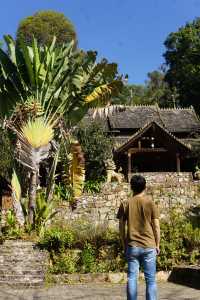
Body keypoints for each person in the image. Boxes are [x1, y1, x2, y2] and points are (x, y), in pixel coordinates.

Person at [117, 175, 160, 300]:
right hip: (149, 246)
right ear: (145, 187)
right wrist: (157, 244)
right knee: (151, 280)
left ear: (131, 187)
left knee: (131, 278)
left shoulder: (125, 203)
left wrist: (124, 243)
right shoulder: (150, 202)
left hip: (132, 246)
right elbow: (156, 226)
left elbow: (121, 226)